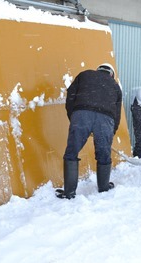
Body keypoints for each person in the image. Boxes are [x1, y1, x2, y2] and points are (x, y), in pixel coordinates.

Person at [55, 63, 122, 199]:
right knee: (104, 154)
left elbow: (71, 96)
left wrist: (74, 116)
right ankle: (103, 188)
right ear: (111, 74)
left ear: (98, 70)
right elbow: (117, 114)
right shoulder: (115, 86)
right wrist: (111, 132)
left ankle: (69, 193)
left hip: (81, 114)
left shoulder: (84, 75)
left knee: (71, 152)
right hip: (105, 119)